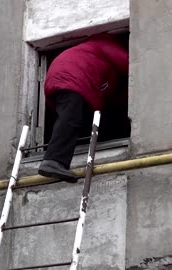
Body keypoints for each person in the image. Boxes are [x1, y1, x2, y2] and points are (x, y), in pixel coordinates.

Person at [38, 33, 129, 182]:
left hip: (62, 79)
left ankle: (59, 160)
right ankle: (53, 161)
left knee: (74, 118)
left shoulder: (91, 52)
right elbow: (134, 64)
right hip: (72, 78)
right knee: (71, 119)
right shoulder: (106, 44)